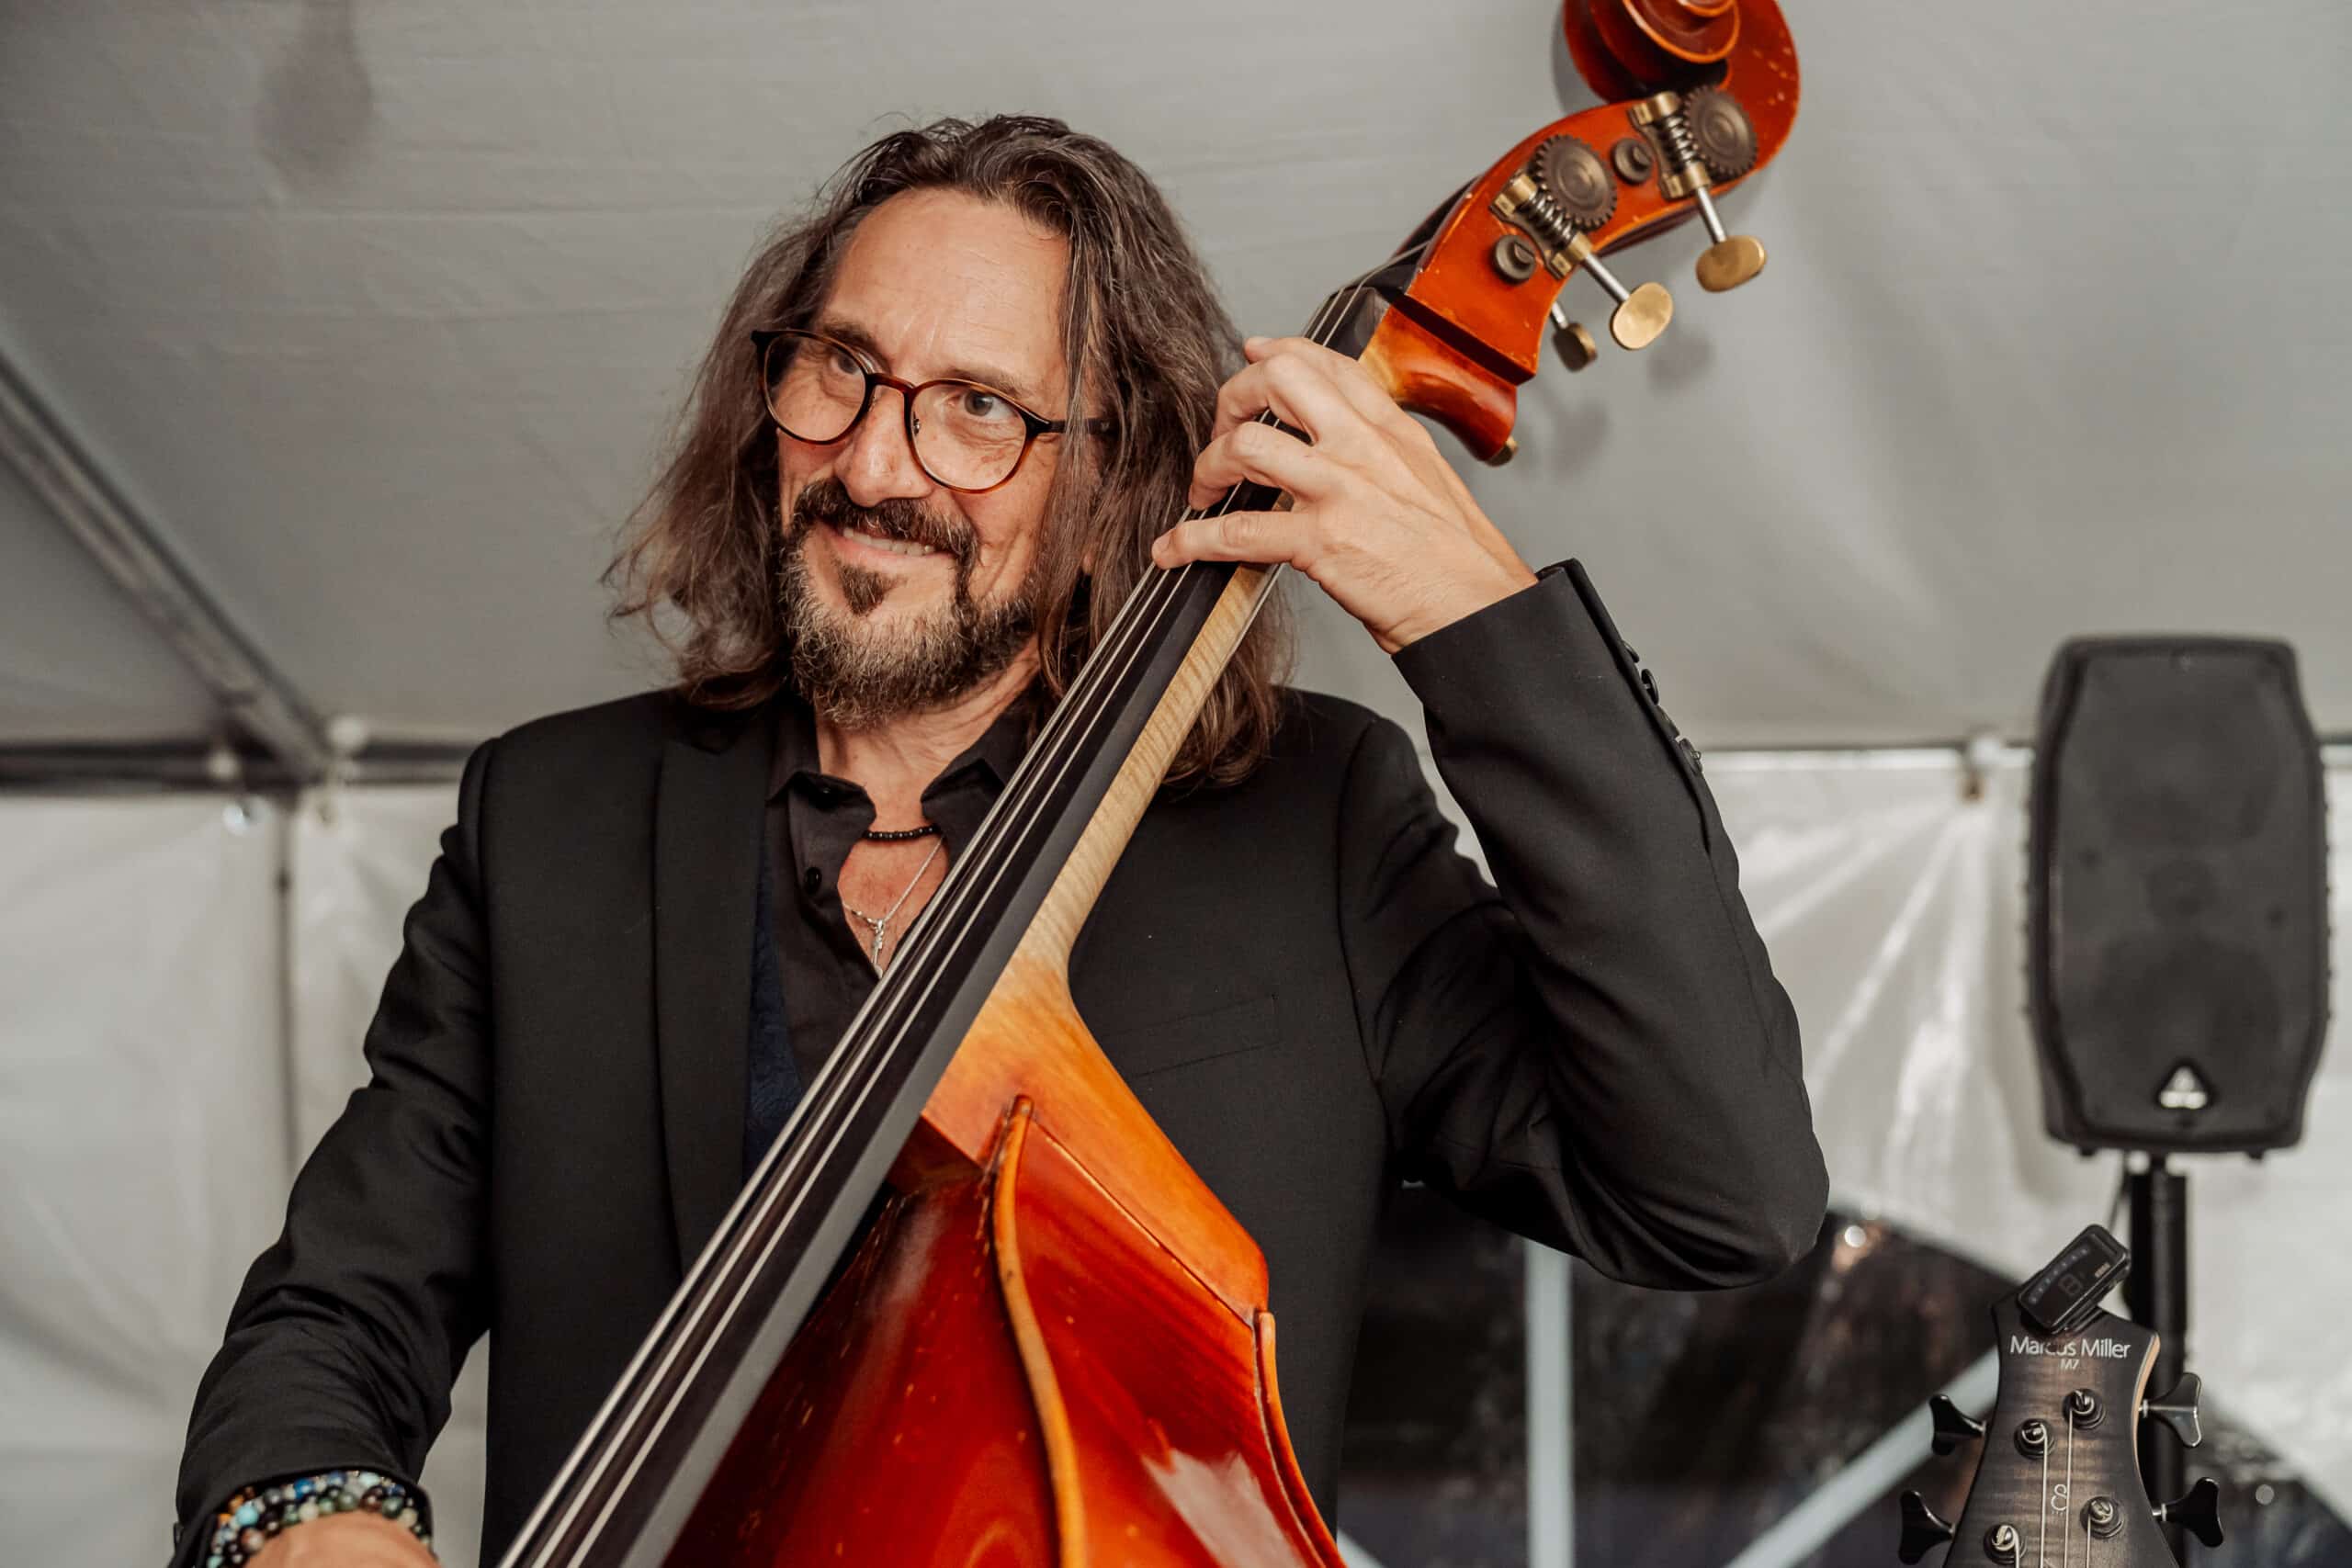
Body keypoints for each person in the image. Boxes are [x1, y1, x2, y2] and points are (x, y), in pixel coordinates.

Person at [174, 114, 1827, 1567]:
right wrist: (311, 1520)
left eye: (979, 408)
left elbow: (1718, 1195)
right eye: (840, 368)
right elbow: (333, 1315)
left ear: (1112, 483)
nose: (873, 462)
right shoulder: (555, 820)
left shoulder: (1315, 823)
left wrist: (1472, 616)